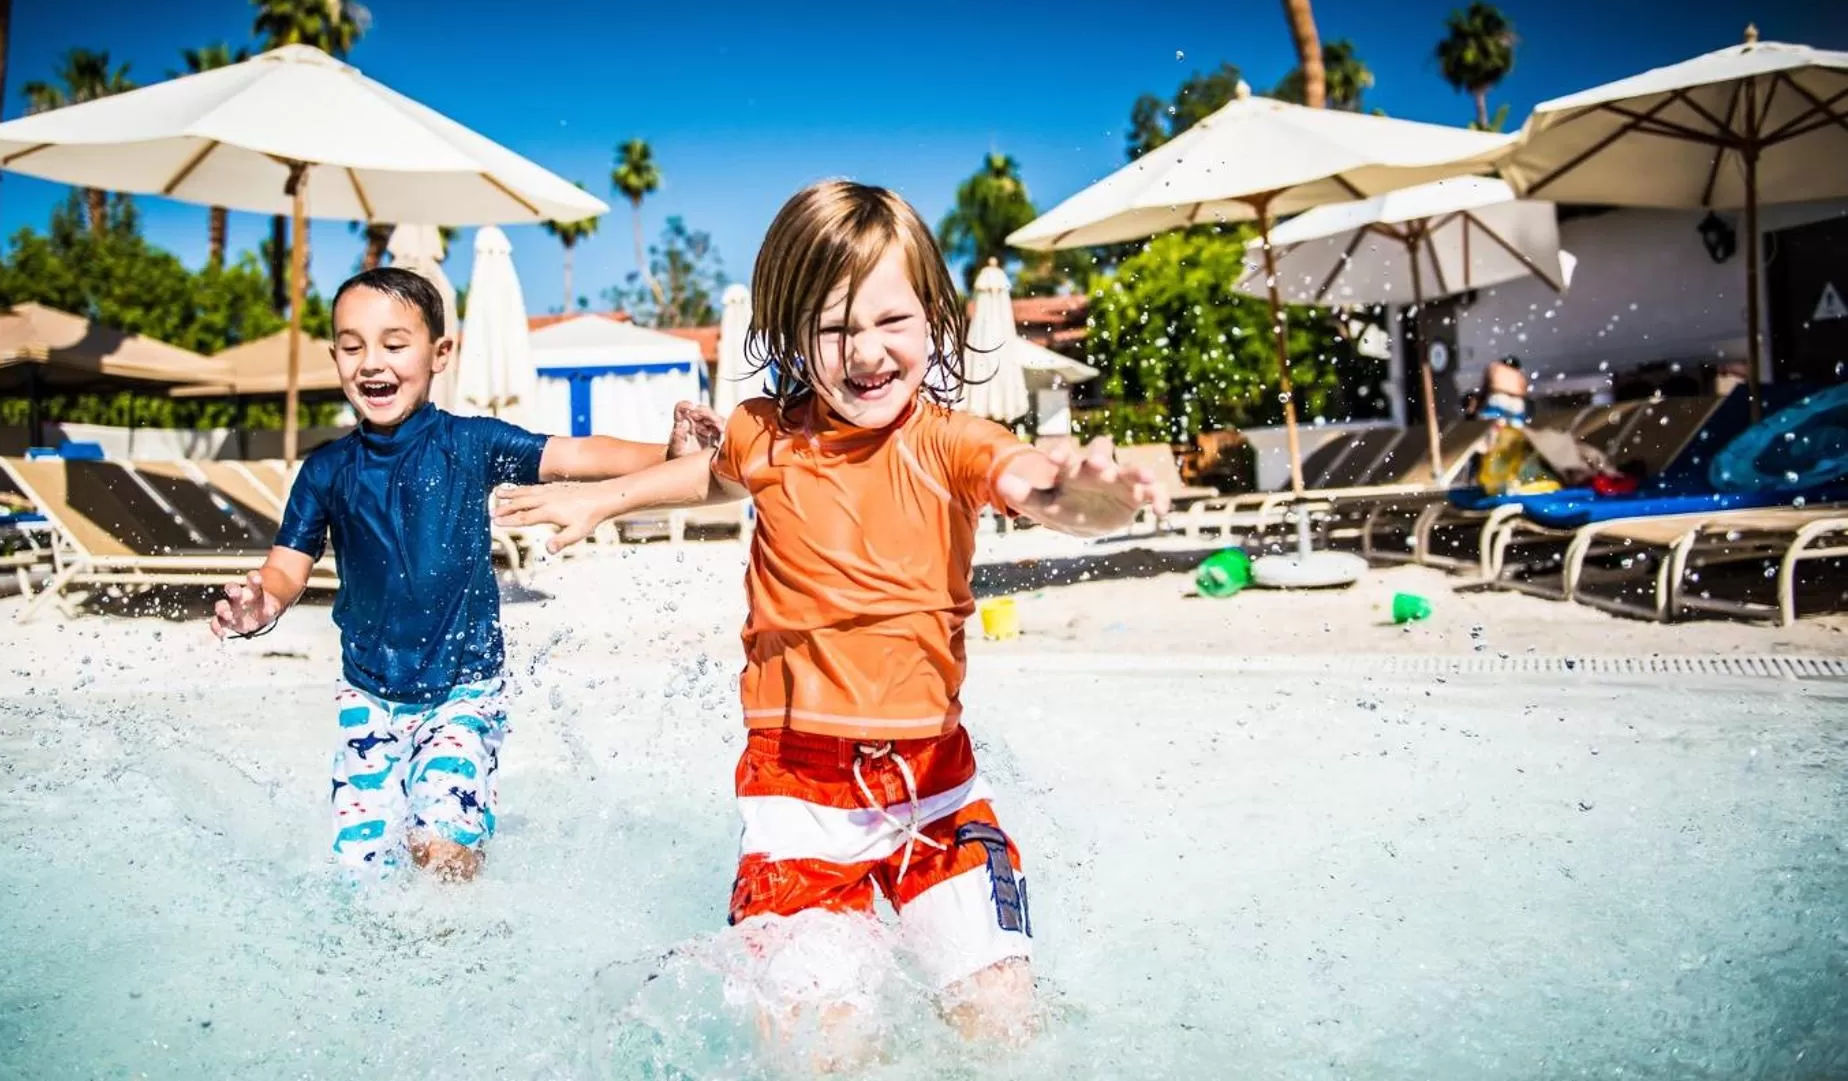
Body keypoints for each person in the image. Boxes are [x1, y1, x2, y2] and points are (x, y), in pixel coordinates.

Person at [494, 181, 1168, 1051]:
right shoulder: (765, 433)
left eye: (892, 320)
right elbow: (711, 474)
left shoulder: (952, 443)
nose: (867, 350)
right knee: (828, 1045)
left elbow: (1036, 484)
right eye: (835, 327)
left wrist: (1089, 499)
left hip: (937, 787)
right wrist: (603, 498)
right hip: (796, 797)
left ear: (935, 319)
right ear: (788, 334)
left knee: (1002, 1024)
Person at [210, 266, 721, 882]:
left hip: (463, 689)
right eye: (352, 347)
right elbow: (286, 568)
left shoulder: (469, 444)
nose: (372, 363)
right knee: (359, 869)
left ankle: (459, 930)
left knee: (445, 845)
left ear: (440, 353)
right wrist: (262, 604)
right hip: (367, 695)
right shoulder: (326, 471)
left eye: (394, 345)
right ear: (335, 357)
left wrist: (665, 456)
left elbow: (577, 453)